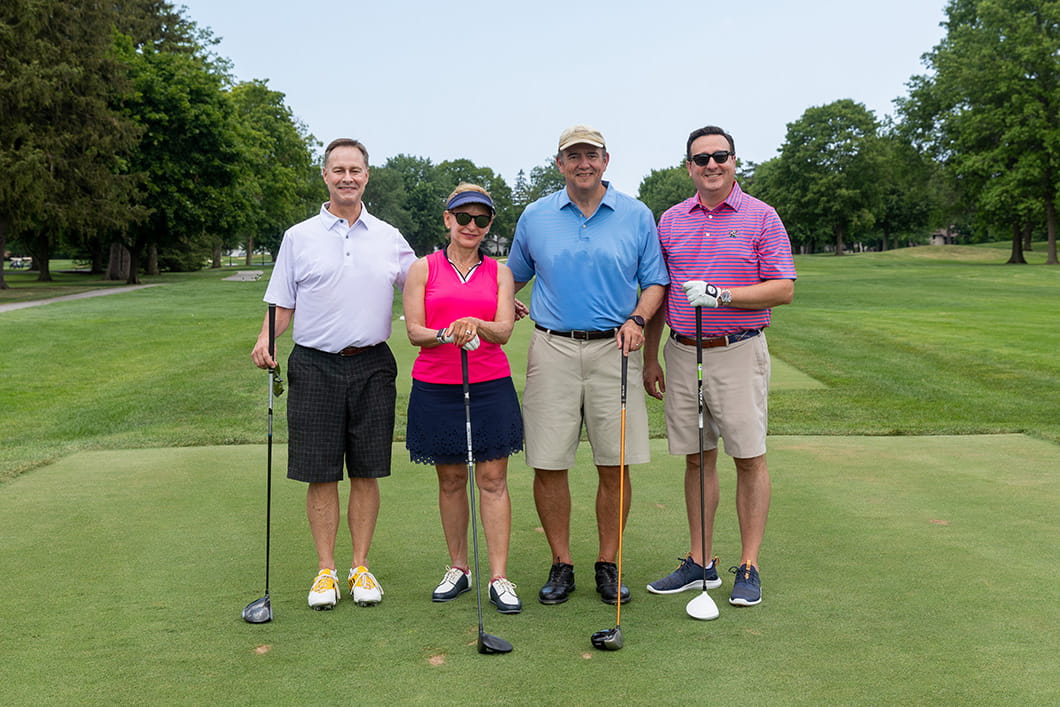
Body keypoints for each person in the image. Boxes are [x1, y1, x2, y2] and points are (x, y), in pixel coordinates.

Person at [251, 137, 416, 610]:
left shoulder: (388, 237)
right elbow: (282, 302)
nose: (347, 177)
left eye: (355, 170)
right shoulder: (298, 236)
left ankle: (360, 567)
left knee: (366, 471)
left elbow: (427, 285)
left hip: (372, 364)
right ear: (325, 175)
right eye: (338, 169)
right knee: (320, 473)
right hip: (314, 364)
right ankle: (325, 572)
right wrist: (266, 339)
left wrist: (489, 301)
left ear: (367, 176)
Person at [507, 125, 669, 606]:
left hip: (614, 349)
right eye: (572, 156)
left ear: (606, 160)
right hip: (552, 347)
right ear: (559, 164)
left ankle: (608, 561)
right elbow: (510, 277)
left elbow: (655, 281)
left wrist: (639, 317)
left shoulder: (636, 214)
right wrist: (500, 306)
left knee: (613, 464)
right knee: (548, 460)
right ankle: (561, 563)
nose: (583, 163)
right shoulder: (536, 217)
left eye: (591, 155)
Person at [642, 125, 796, 607]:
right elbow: (659, 290)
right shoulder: (669, 221)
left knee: (748, 456)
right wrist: (651, 357)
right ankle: (700, 560)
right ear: (688, 167)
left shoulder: (761, 217)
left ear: (734, 161)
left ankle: (748, 564)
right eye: (701, 158)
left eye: (720, 156)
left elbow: (782, 287)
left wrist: (722, 294)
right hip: (683, 350)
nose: (712, 165)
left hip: (738, 347)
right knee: (698, 456)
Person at [402, 184, 525, 614]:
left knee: (492, 480)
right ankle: (459, 567)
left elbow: (505, 329)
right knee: (451, 480)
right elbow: (414, 331)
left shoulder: (500, 273)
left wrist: (476, 323)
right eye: (464, 217)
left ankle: (498, 576)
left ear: (489, 224)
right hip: (437, 386)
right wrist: (446, 333)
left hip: (489, 383)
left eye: (482, 219)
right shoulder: (423, 269)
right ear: (448, 219)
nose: (472, 226)